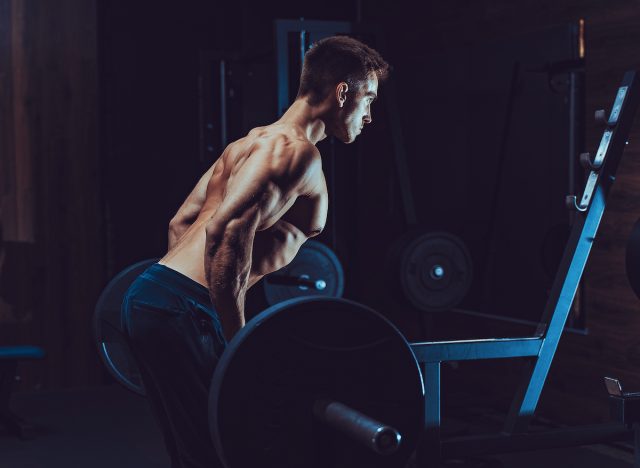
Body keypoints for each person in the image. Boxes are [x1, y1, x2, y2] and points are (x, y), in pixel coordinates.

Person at [121, 35, 389, 468]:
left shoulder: (248, 144)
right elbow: (226, 233)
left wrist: (180, 298)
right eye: (369, 99)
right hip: (185, 308)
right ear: (343, 92)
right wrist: (235, 339)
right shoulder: (294, 153)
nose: (370, 115)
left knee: (198, 449)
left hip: (154, 297)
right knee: (228, 448)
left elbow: (181, 224)